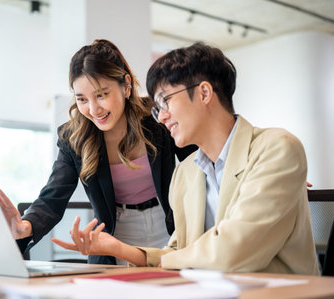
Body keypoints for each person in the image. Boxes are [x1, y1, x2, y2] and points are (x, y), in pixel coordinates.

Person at [51, 42, 320, 275]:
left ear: (204, 93)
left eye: (165, 101)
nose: (162, 116)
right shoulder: (187, 172)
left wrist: (168, 258)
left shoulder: (277, 148)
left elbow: (234, 251)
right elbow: (179, 251)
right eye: (158, 108)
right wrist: (119, 248)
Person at [0, 39, 197, 265]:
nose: (93, 109)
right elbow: (53, 197)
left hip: (168, 225)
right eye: (82, 99)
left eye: (101, 95)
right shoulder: (74, 138)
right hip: (114, 236)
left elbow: (199, 164)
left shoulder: (158, 118)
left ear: (126, 84)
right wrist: (26, 225)